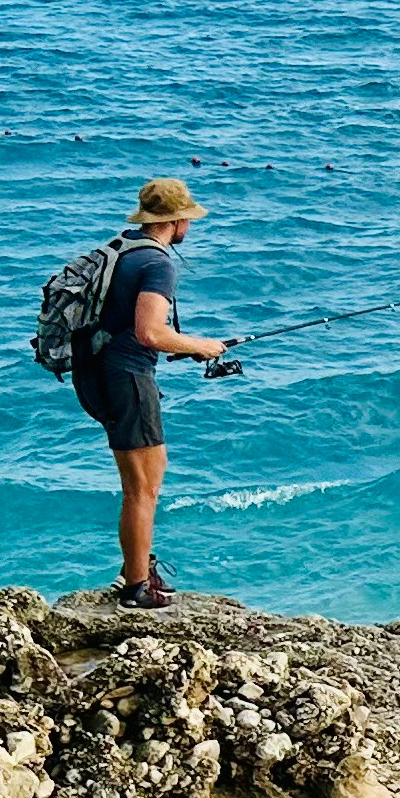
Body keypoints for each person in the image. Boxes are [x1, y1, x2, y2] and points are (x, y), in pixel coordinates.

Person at [75, 180, 234, 607]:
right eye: (189, 220)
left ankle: (137, 572)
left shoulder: (125, 249)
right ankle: (136, 589)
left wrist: (183, 348)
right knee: (143, 487)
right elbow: (149, 333)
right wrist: (202, 345)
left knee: (139, 481)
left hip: (102, 372)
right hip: (127, 378)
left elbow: (127, 325)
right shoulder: (159, 264)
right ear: (177, 220)